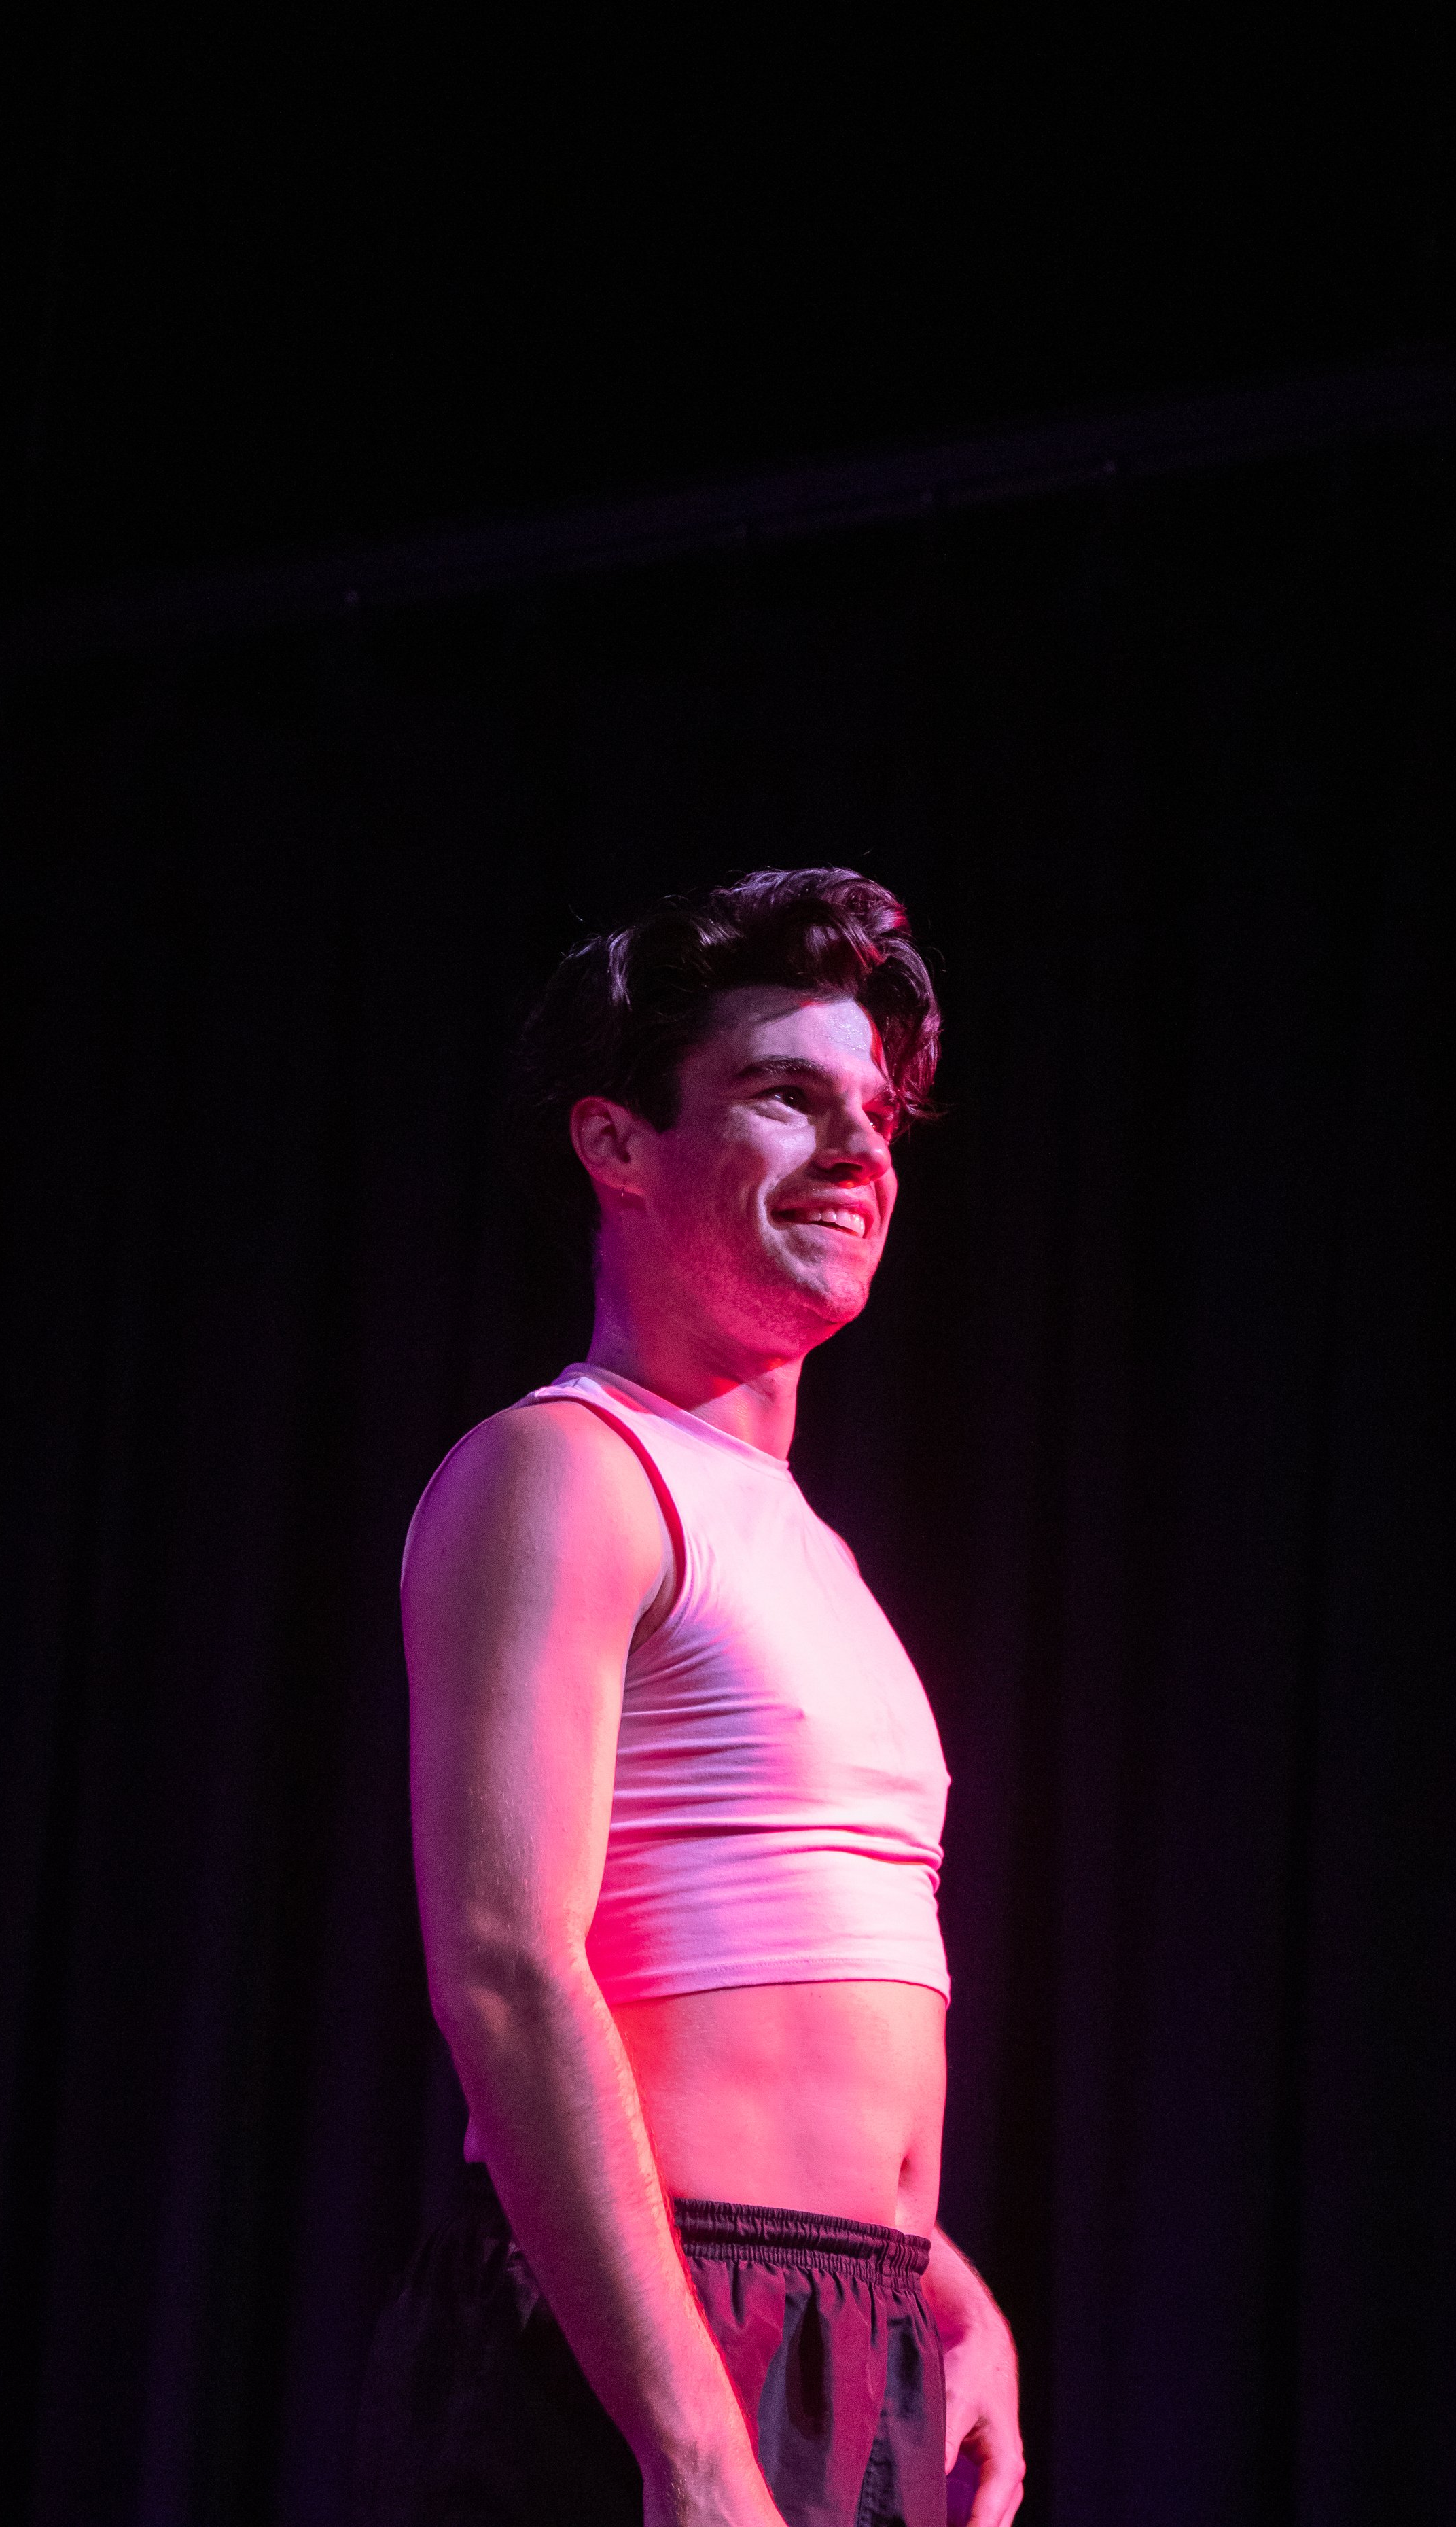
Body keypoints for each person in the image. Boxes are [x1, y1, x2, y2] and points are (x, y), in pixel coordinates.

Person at [356, 869, 1024, 2527]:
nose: (860, 1150)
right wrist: (695, 2442)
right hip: (643, 2340)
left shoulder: (809, 1546)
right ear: (617, 1143)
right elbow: (505, 1968)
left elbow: (751, 1992)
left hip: (844, 2334)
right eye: (786, 1096)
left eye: (876, 1112)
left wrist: (934, 2280)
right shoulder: (563, 1469)